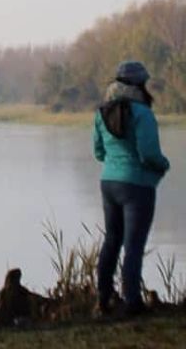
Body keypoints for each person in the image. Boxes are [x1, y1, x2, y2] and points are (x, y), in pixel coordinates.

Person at [93, 60, 171, 316]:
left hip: (109, 184)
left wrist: (116, 164)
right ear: (139, 84)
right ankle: (131, 302)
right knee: (134, 245)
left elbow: (98, 152)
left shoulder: (101, 112)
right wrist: (163, 164)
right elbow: (149, 154)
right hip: (137, 187)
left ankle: (103, 298)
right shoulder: (142, 113)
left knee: (111, 240)